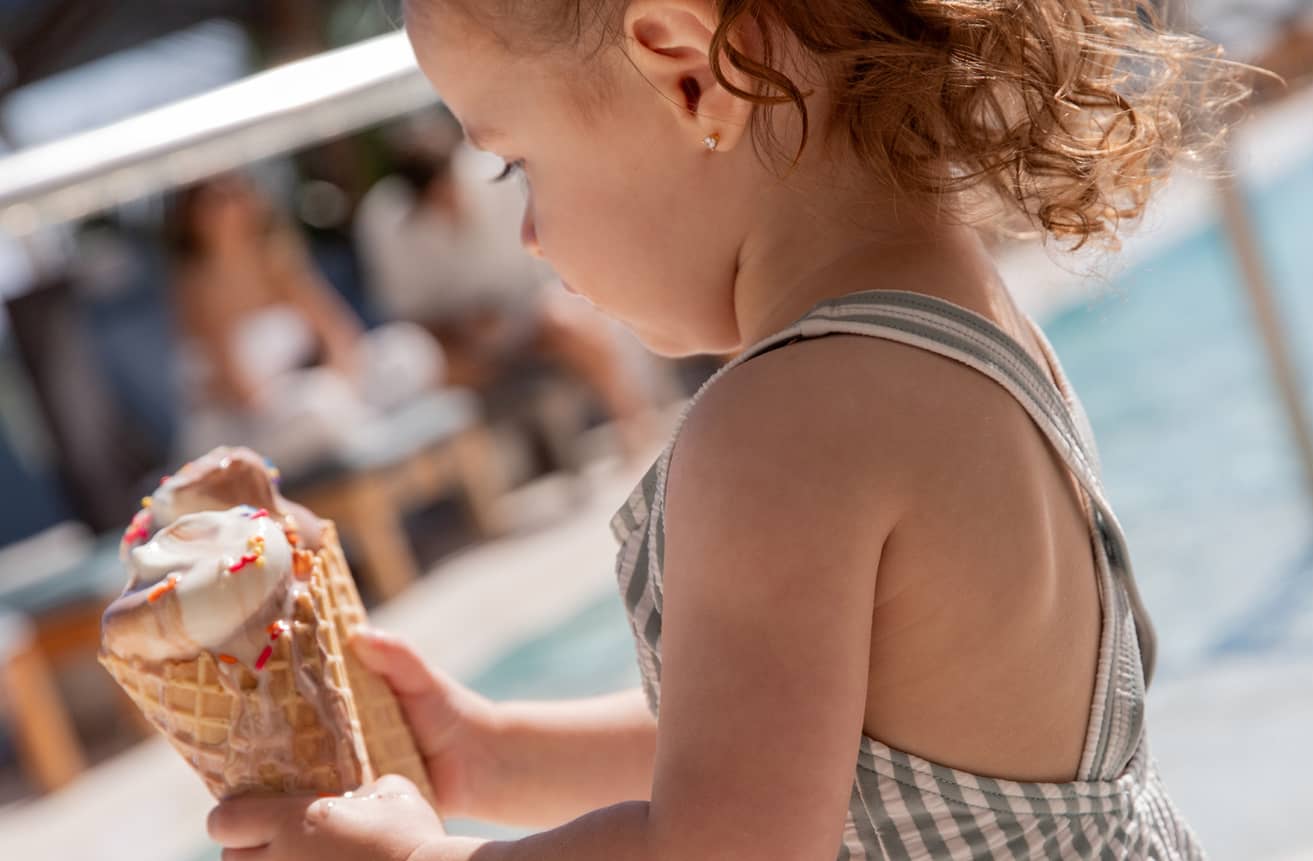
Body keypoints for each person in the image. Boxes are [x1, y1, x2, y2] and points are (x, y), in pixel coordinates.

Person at [208, 1, 1241, 858]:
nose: (525, 235)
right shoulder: (960, 320)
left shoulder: (785, 428)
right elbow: (805, 743)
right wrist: (498, 754)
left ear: (690, 77)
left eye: (515, 165)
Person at [356, 123, 657, 459]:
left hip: (530, 315)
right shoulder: (385, 222)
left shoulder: (495, 173)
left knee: (566, 317)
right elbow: (409, 316)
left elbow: (549, 266)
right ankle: (485, 480)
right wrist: (464, 329)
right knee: (420, 364)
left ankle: (634, 424)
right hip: (462, 345)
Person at [167, 174, 444, 474]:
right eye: (217, 200)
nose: (231, 208)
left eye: (237, 194)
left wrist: (341, 384)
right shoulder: (195, 288)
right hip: (249, 424)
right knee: (317, 408)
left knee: (407, 349)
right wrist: (321, 395)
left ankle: (355, 425)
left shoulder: (278, 261)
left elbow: (339, 336)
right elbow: (242, 392)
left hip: (317, 391)